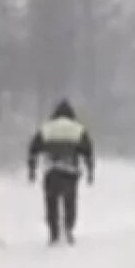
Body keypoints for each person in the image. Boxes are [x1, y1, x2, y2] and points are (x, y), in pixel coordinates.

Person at [27, 99, 94, 245]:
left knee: (51, 202)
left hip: (51, 170)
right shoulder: (78, 129)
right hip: (70, 171)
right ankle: (68, 228)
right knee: (70, 202)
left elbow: (33, 149)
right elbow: (88, 151)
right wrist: (90, 172)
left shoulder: (47, 128)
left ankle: (54, 233)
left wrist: (32, 170)